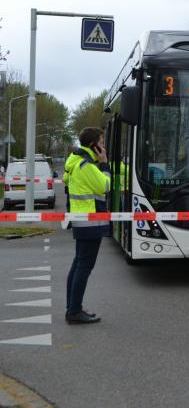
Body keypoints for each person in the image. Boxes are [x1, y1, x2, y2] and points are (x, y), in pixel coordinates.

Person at [63, 128, 111, 324]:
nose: (104, 145)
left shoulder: (76, 162)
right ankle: (74, 311)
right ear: (94, 145)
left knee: (78, 264)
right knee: (84, 266)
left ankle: (72, 309)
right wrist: (105, 165)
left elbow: (66, 180)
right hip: (90, 221)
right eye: (102, 141)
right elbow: (105, 186)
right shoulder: (87, 165)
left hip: (82, 220)